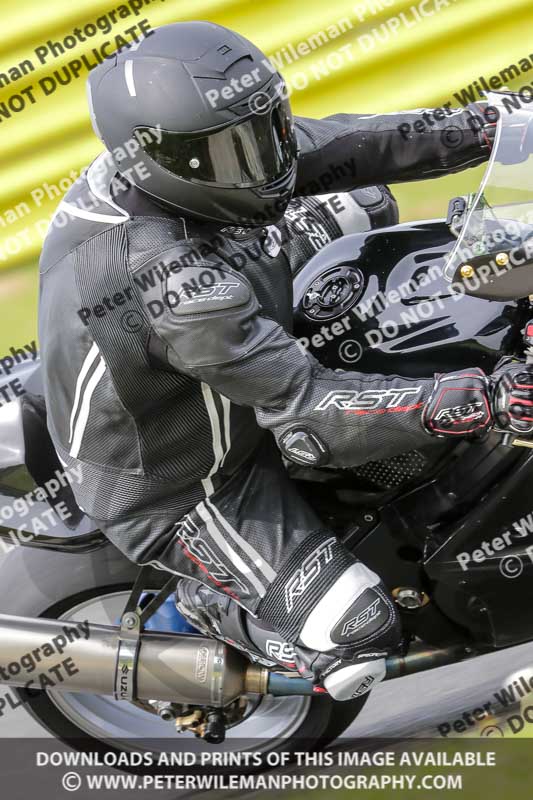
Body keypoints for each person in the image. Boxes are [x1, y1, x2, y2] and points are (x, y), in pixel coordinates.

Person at [38, 21, 533, 701]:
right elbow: (305, 411)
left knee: (359, 201)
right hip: (186, 481)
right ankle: (211, 606)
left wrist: (493, 123)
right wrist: (479, 399)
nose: (266, 160)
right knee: (356, 639)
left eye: (265, 127)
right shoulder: (169, 282)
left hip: (221, 352)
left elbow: (357, 144)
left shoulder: (196, 159)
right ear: (164, 160)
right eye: (233, 150)